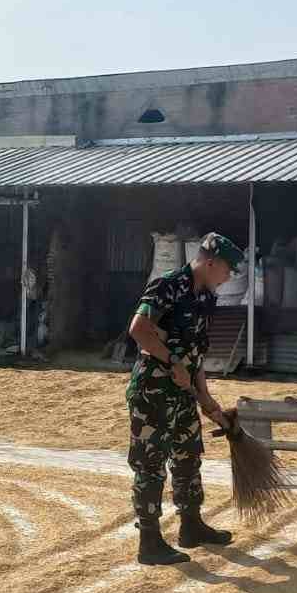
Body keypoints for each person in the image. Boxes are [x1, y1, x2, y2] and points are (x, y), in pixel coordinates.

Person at [124, 231, 243, 566]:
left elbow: (196, 354)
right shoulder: (168, 285)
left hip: (182, 393)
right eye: (227, 270)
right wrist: (172, 362)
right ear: (211, 262)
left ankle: (191, 526)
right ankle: (149, 542)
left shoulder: (206, 298)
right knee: (150, 465)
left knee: (188, 458)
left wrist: (206, 399)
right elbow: (138, 329)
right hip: (153, 391)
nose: (228, 277)